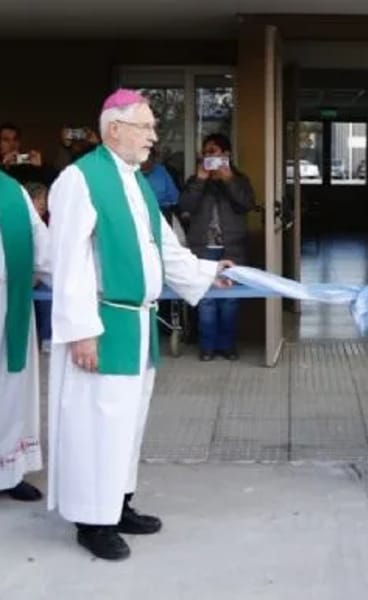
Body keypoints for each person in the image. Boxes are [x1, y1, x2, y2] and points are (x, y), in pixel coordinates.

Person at [47, 89, 233, 561]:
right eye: (146, 127)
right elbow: (67, 259)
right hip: (104, 325)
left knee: (126, 424)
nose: (154, 136)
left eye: (152, 127)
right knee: (98, 424)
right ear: (114, 129)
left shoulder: (135, 180)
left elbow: (163, 249)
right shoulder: (81, 179)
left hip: (138, 322)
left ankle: (118, 502)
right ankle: (92, 520)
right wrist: (81, 329)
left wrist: (210, 272)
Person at [178, 133, 255, 361]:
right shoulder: (196, 181)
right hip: (203, 247)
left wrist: (228, 178)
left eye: (214, 152)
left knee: (230, 299)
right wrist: (201, 179)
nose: (209, 156)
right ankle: (207, 347)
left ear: (227, 154)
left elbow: (246, 204)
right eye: (206, 152)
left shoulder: (239, 179)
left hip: (232, 247)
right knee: (207, 298)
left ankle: (228, 346)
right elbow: (185, 206)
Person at [0, 171, 49, 502]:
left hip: (10, 302)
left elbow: (44, 247)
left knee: (12, 389)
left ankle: (8, 471)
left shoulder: (11, 192)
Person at [24, 182, 52, 352]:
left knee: (50, 291)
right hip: (16, 276)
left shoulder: (44, 225)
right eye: (38, 199)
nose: (43, 203)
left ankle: (47, 338)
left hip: (38, 275)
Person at [142, 147, 180, 221]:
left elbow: (174, 197)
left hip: (162, 212)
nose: (146, 160)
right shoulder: (130, 173)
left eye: (149, 157)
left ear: (154, 159)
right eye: (143, 157)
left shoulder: (161, 171)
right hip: (139, 213)